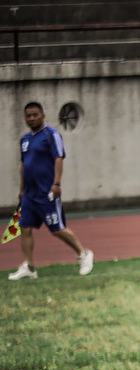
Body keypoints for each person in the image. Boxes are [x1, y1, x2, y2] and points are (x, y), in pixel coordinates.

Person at [9, 102, 93, 281]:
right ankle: (29, 267)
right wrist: (21, 189)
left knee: (56, 229)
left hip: (46, 192)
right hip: (29, 194)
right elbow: (24, 165)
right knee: (24, 227)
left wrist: (56, 184)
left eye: (35, 115)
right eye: (28, 115)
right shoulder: (25, 140)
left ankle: (83, 254)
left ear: (43, 116)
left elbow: (58, 157)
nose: (31, 118)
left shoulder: (51, 135)